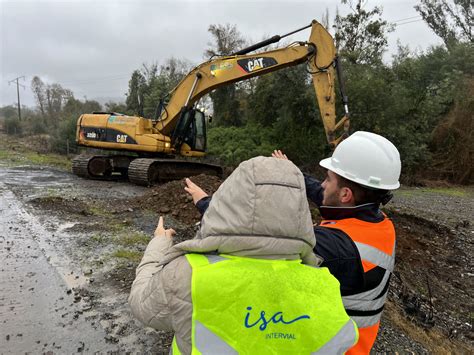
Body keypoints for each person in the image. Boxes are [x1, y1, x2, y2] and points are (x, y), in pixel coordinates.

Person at [186, 131, 401, 355]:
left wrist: (205, 203)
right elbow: (323, 194)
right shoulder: (378, 223)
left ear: (346, 194)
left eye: (328, 178)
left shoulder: (336, 247)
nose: (322, 184)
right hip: (346, 338)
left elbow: (258, 238)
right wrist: (291, 173)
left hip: (331, 347)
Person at [129, 156, 358, 354]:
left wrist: (159, 243)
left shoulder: (188, 273)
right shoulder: (324, 286)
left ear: (228, 198)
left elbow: (142, 306)